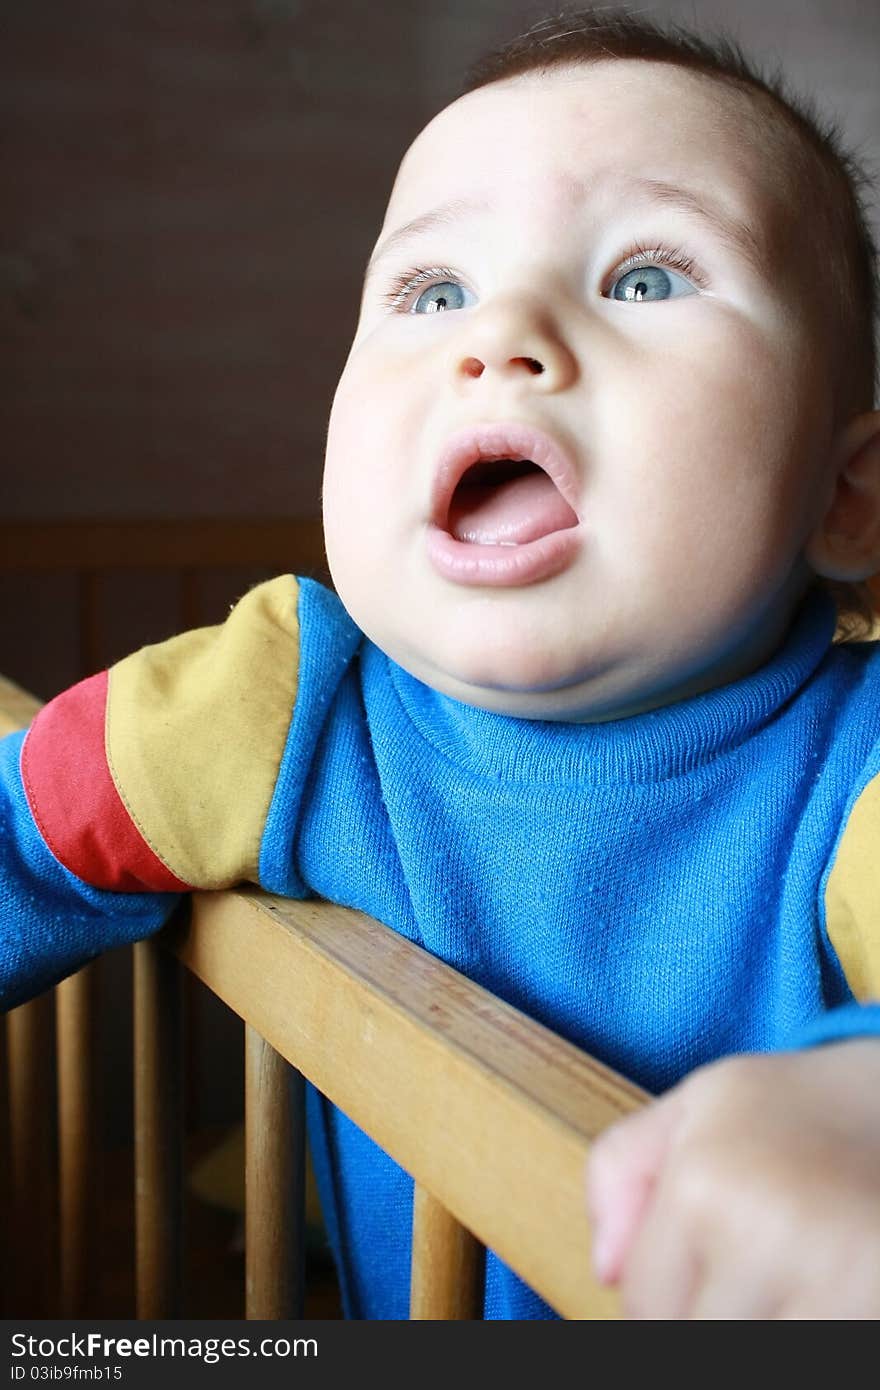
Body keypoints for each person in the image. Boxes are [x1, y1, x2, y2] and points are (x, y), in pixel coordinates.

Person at [3, 7, 880, 1318]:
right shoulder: (279, 699)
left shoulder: (856, 767)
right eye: (433, 291)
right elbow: (28, 825)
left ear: (847, 495)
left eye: (645, 276)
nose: (501, 336)